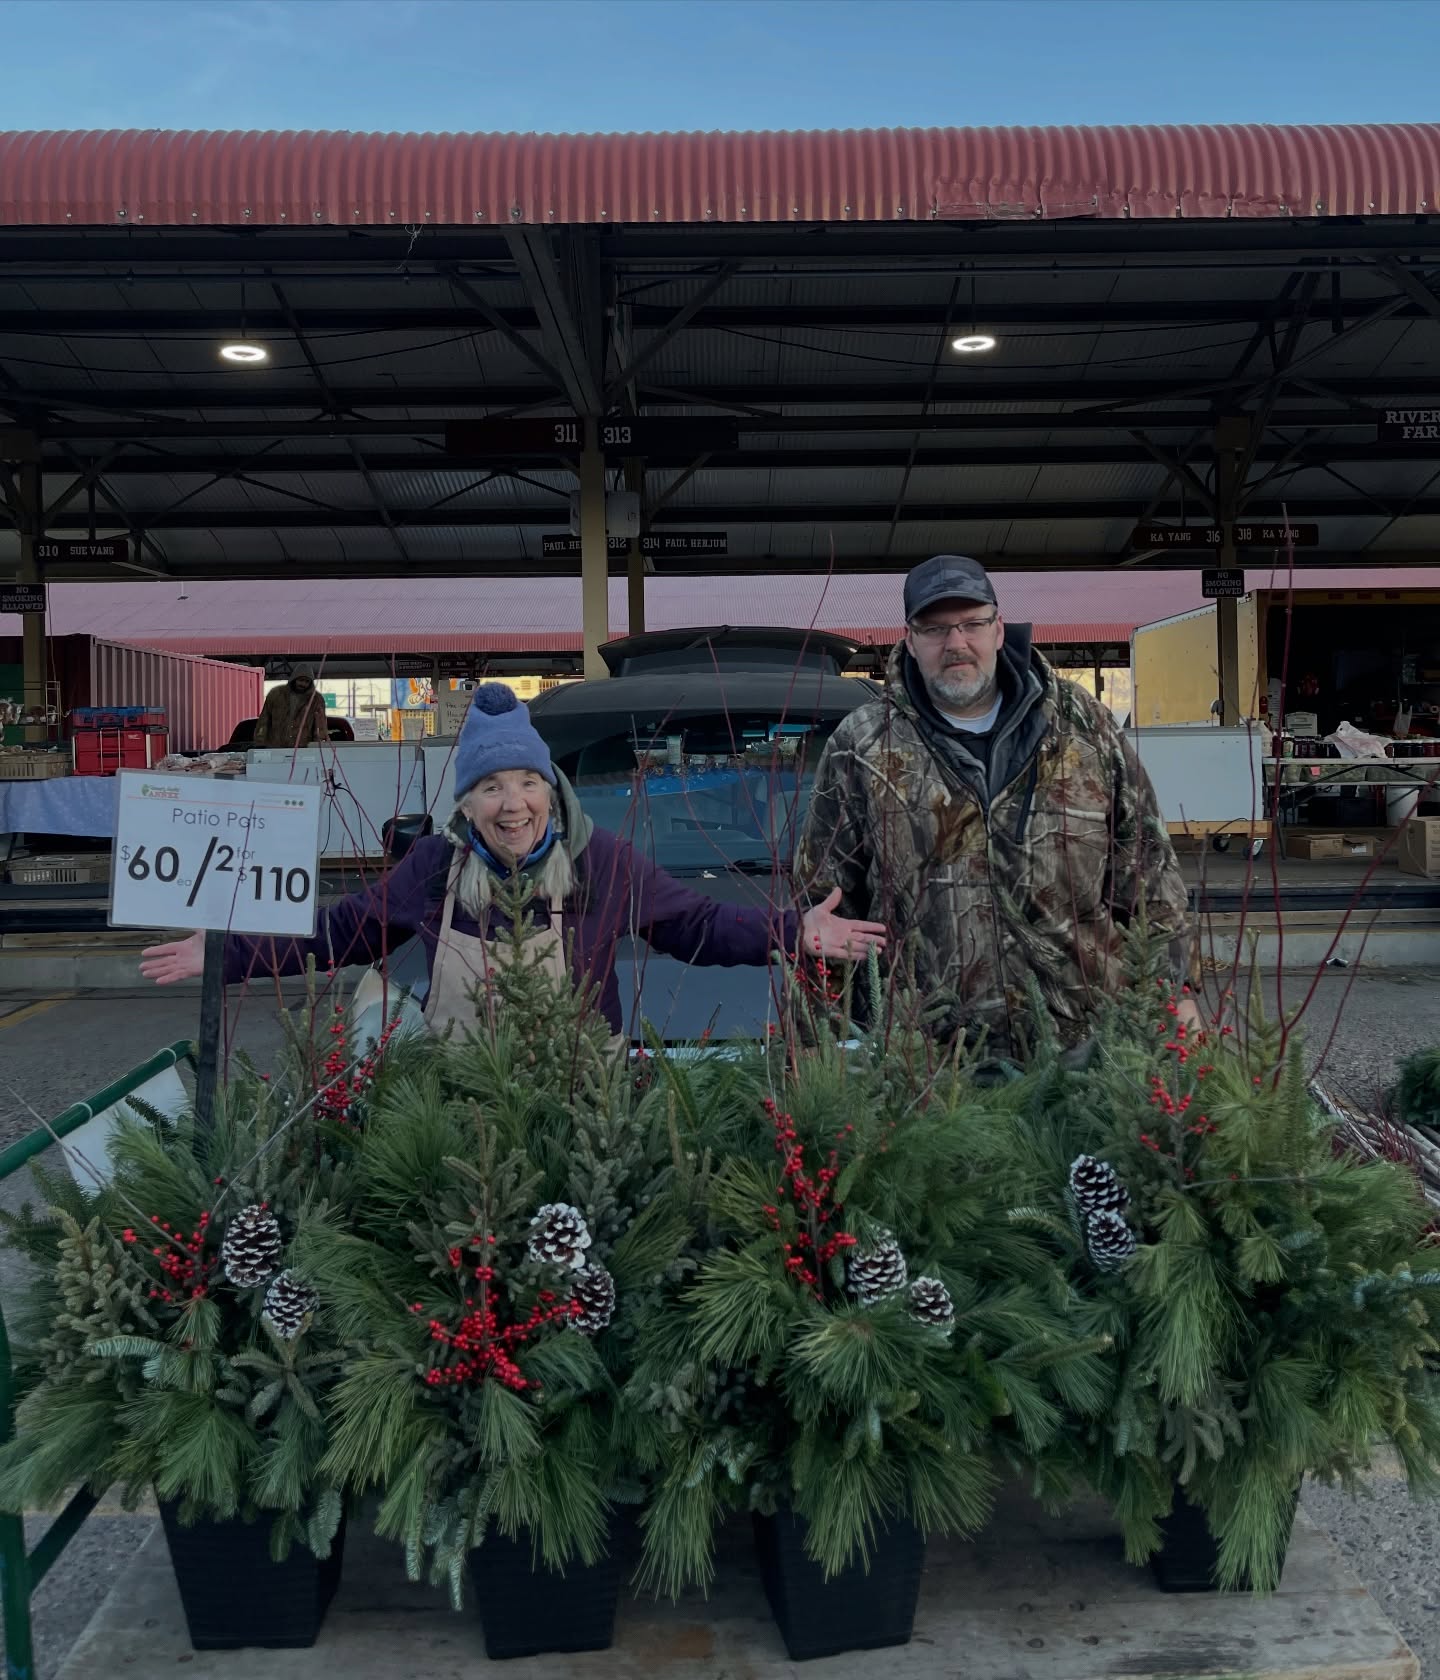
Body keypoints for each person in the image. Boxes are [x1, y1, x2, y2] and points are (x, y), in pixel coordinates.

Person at [140, 683, 886, 1039]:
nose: (512, 805)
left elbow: (699, 926)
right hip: (461, 1110)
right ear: (467, 804)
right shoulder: (434, 869)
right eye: (490, 787)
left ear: (550, 790)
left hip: (583, 1105)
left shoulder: (602, 863)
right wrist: (224, 953)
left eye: (527, 782)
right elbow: (341, 933)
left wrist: (793, 931)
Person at [795, 554, 1195, 1063]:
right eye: (935, 629)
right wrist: (823, 1043)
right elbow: (824, 908)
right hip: (927, 1064)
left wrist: (1176, 996)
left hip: (1086, 1049)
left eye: (972, 624)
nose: (955, 643)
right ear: (910, 640)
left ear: (999, 630)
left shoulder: (1082, 726)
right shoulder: (863, 745)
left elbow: (1151, 880)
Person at [253, 664, 330, 748]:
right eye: (301, 680)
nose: (303, 684)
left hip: (302, 750)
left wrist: (317, 747)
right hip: (276, 748)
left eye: (307, 681)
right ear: (294, 678)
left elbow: (320, 726)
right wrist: (260, 743)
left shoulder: (316, 699)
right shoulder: (276, 694)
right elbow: (264, 720)